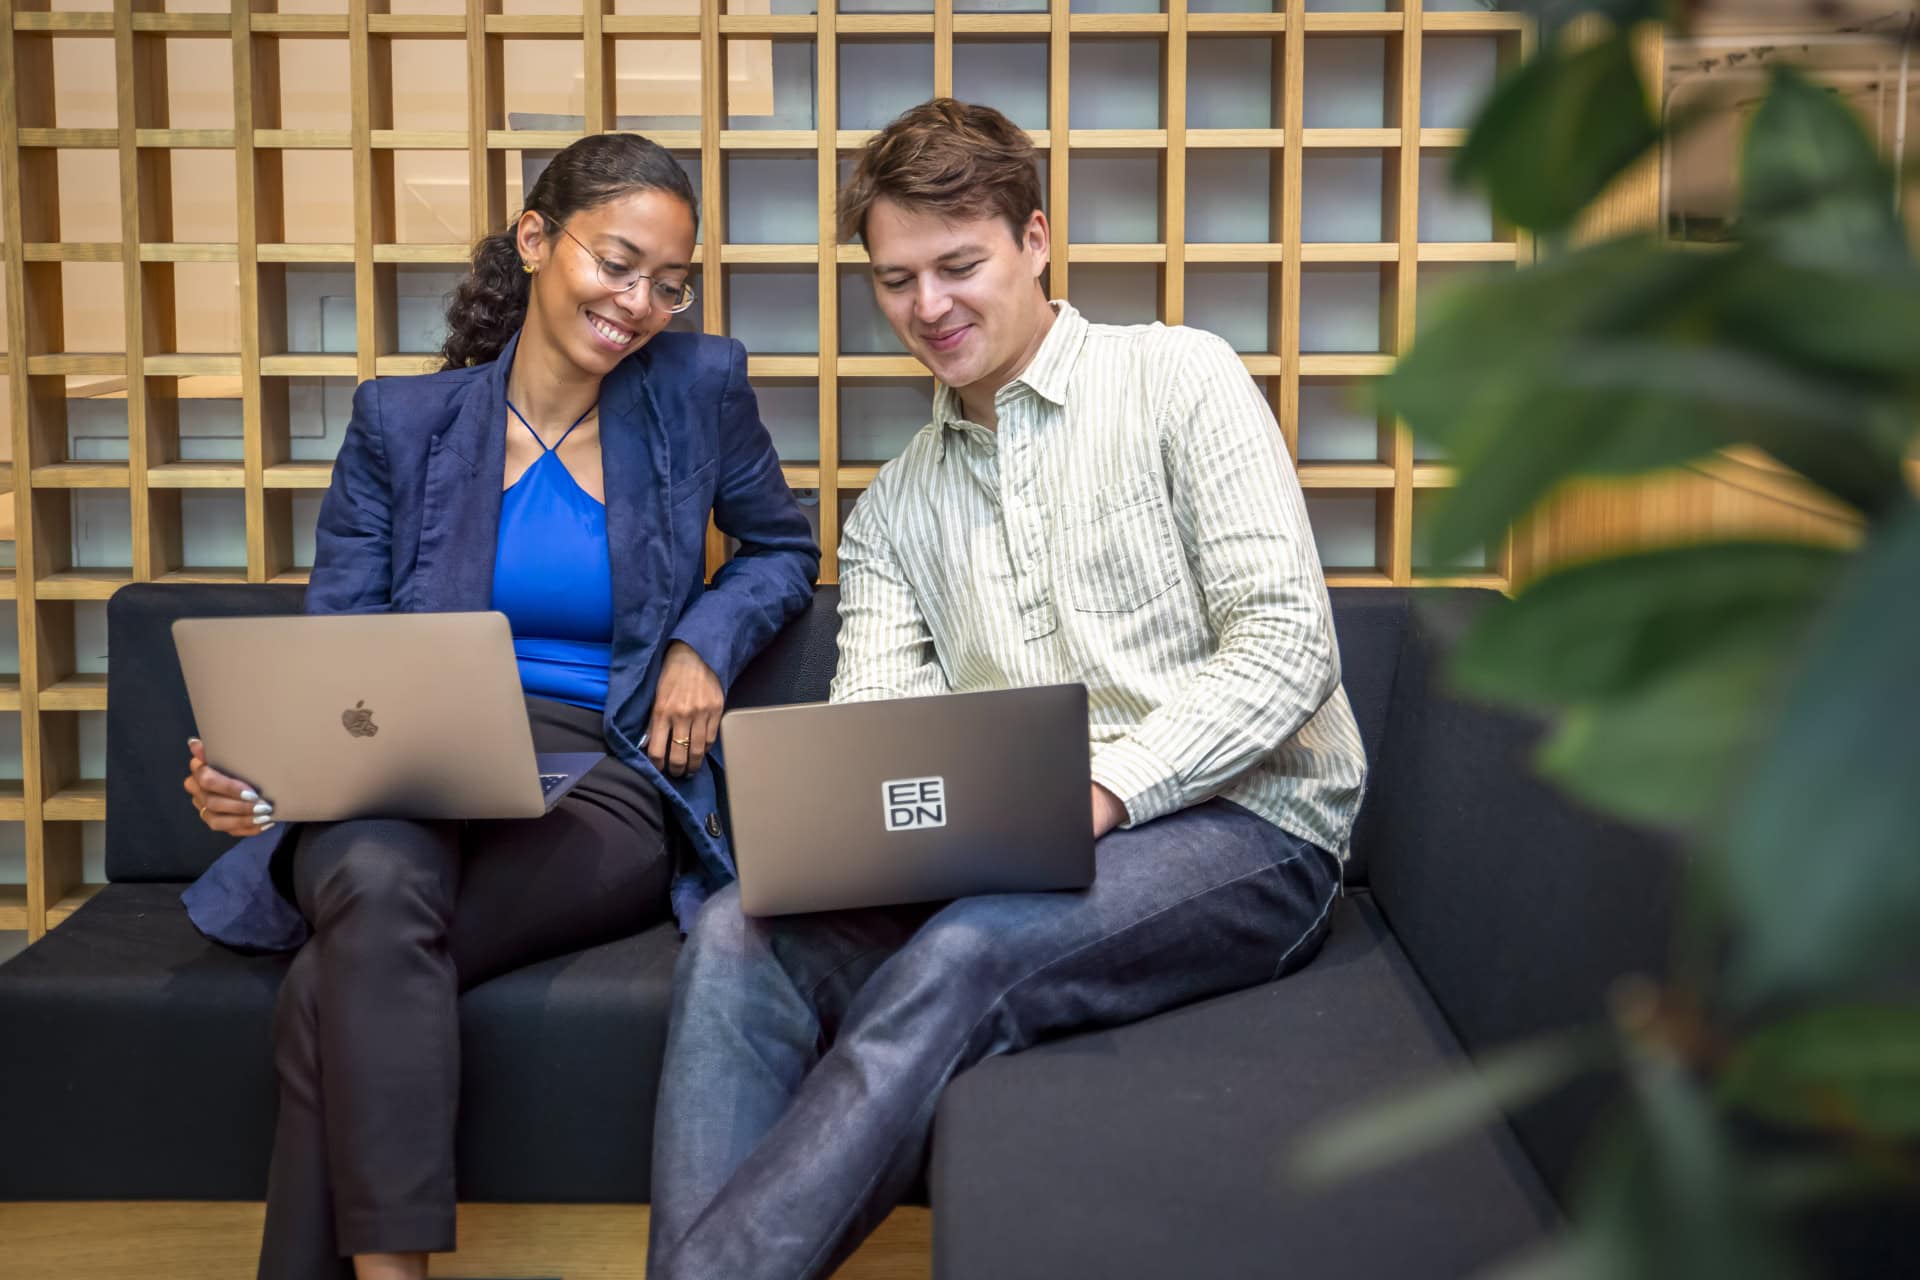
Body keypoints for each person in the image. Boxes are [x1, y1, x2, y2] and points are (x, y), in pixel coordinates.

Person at [645, 98, 1369, 1279]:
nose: (926, 308)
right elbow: (879, 729)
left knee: (972, 944)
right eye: (894, 280)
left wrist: (1102, 788)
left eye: (958, 265)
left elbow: (1289, 646)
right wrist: (850, 827)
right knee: (735, 931)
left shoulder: (1180, 378)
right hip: (1005, 849)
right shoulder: (893, 510)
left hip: (1255, 825)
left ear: (1035, 238)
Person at [178, 132, 819, 1280]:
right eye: (617, 264)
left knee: (345, 966)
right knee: (375, 866)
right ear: (536, 239)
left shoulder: (698, 386)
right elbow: (341, 647)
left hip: (603, 772)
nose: (640, 305)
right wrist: (258, 772)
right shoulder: (403, 423)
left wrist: (701, 642)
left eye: (668, 284)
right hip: (410, 763)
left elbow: (780, 546)